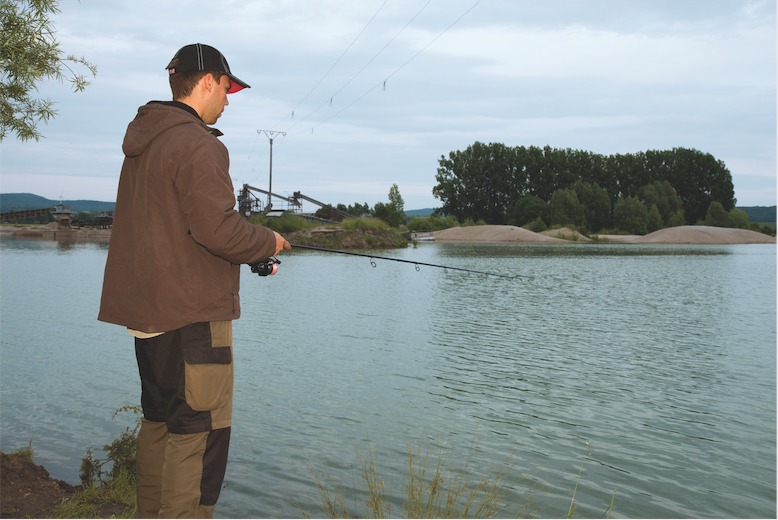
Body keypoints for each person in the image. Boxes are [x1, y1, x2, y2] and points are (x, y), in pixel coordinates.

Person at [98, 43, 291, 518]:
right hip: (192, 319)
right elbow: (217, 229)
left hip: (149, 318)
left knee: (160, 424)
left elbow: (181, 232)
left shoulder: (146, 143)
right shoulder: (199, 143)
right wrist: (269, 242)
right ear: (207, 81)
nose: (228, 100)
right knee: (197, 435)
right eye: (227, 88)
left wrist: (247, 253)